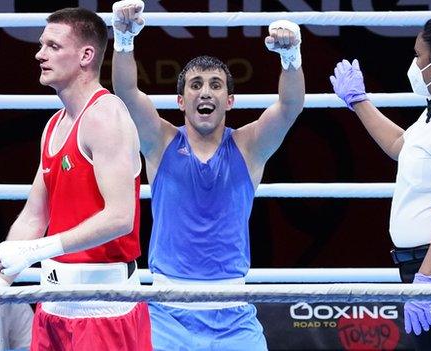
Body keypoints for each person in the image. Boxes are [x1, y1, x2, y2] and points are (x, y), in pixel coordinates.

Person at [111, 1, 305, 349]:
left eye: (215, 85)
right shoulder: (160, 142)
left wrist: (291, 56)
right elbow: (126, 93)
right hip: (168, 312)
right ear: (181, 101)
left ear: (229, 101)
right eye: (196, 84)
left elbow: (289, 107)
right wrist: (124, 38)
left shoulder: (248, 147)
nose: (205, 91)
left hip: (233, 313)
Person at [0, 7, 151, 351]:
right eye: (41, 44)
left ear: (86, 55)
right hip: (51, 305)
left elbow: (121, 217)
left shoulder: (106, 116)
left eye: (53, 46)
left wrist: (38, 249)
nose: (39, 53)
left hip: (103, 309)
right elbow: (36, 215)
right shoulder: (54, 125)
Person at [330, 13, 431, 350]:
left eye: (418, 55)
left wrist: (427, 280)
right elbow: (399, 146)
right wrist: (359, 101)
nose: (413, 62)